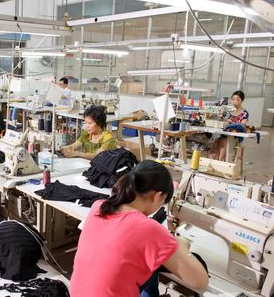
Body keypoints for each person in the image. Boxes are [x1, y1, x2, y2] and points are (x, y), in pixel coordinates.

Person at [70, 160, 209, 297]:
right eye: (162, 203)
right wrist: (180, 244)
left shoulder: (99, 207)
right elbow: (200, 281)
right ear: (158, 196)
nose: (160, 208)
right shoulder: (148, 228)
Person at [209, 91, 249, 161]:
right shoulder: (229, 111)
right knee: (216, 142)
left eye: (237, 99)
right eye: (233, 99)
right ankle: (212, 162)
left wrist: (231, 122)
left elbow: (242, 126)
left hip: (237, 138)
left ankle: (219, 162)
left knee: (223, 141)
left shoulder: (245, 113)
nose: (234, 101)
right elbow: (223, 120)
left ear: (242, 100)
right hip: (226, 135)